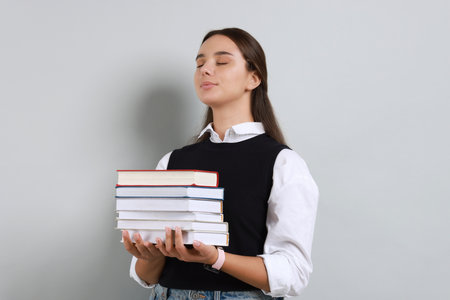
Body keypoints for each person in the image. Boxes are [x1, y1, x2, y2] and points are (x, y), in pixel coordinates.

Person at [122, 27, 319, 299]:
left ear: (254, 77)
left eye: (222, 62)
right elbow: (145, 275)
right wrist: (149, 254)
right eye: (200, 63)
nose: (205, 70)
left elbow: (293, 272)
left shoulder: (283, 163)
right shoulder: (172, 161)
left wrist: (217, 258)